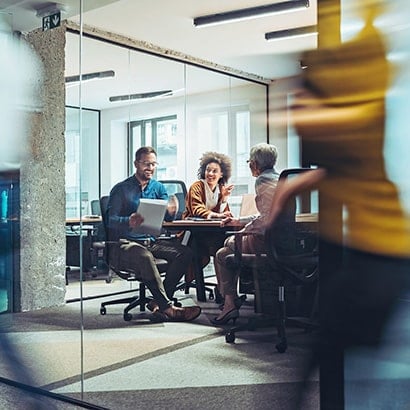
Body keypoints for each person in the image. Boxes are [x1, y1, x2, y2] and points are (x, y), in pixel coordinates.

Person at [268, 2, 410, 408]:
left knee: (350, 360)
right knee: (340, 354)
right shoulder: (357, 125)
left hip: (380, 254)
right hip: (377, 254)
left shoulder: (351, 120)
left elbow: (323, 126)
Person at [106, 146, 201, 322]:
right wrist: (128, 220)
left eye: (153, 164)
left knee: (185, 253)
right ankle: (168, 308)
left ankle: (157, 303)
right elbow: (109, 221)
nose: (150, 168)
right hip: (126, 243)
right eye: (146, 164)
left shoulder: (158, 188)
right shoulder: (121, 189)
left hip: (151, 240)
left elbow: (166, 218)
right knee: (145, 256)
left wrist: (172, 211)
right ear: (136, 164)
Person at [212, 143, 280, 325]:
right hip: (282, 243)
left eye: (250, 161)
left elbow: (266, 220)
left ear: (255, 164)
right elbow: (267, 215)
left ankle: (229, 304)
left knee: (224, 250)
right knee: (227, 249)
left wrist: (244, 229)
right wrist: (239, 221)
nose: (249, 164)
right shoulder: (280, 178)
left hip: (267, 243)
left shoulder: (263, 181)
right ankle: (230, 302)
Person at [182, 151, 234, 283]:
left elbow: (224, 213)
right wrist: (217, 215)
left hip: (211, 231)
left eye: (215, 171)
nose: (210, 174)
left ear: (222, 174)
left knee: (226, 245)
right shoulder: (197, 186)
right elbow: (197, 209)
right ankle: (223, 290)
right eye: (208, 170)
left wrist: (224, 199)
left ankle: (222, 288)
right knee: (218, 245)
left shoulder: (220, 188)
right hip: (193, 232)